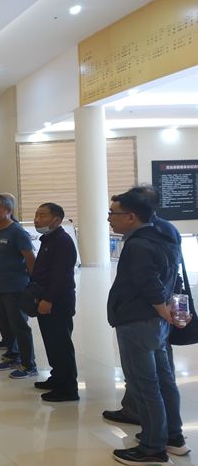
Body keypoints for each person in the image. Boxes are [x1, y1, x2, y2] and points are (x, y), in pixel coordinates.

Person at [107, 190, 186, 464]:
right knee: (164, 381)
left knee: (144, 385)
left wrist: (162, 308)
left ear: (131, 216)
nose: (109, 219)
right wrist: (166, 311)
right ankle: (173, 437)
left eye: (113, 213)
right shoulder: (162, 234)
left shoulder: (138, 245)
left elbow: (148, 281)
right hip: (155, 324)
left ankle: (153, 447)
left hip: (138, 322)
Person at [30, 203, 78, 402]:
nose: (37, 219)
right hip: (44, 298)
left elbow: (61, 276)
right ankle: (57, 377)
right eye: (36, 215)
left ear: (57, 220)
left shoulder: (62, 242)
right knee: (51, 342)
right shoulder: (49, 239)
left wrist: (48, 299)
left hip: (57, 301)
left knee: (61, 344)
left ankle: (68, 389)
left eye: (42, 215)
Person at [0, 194, 37, 378]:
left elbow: (30, 259)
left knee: (19, 326)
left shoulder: (17, 232)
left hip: (15, 287)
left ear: (8, 210)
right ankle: (13, 355)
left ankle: (28, 364)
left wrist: (34, 285)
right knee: (4, 324)